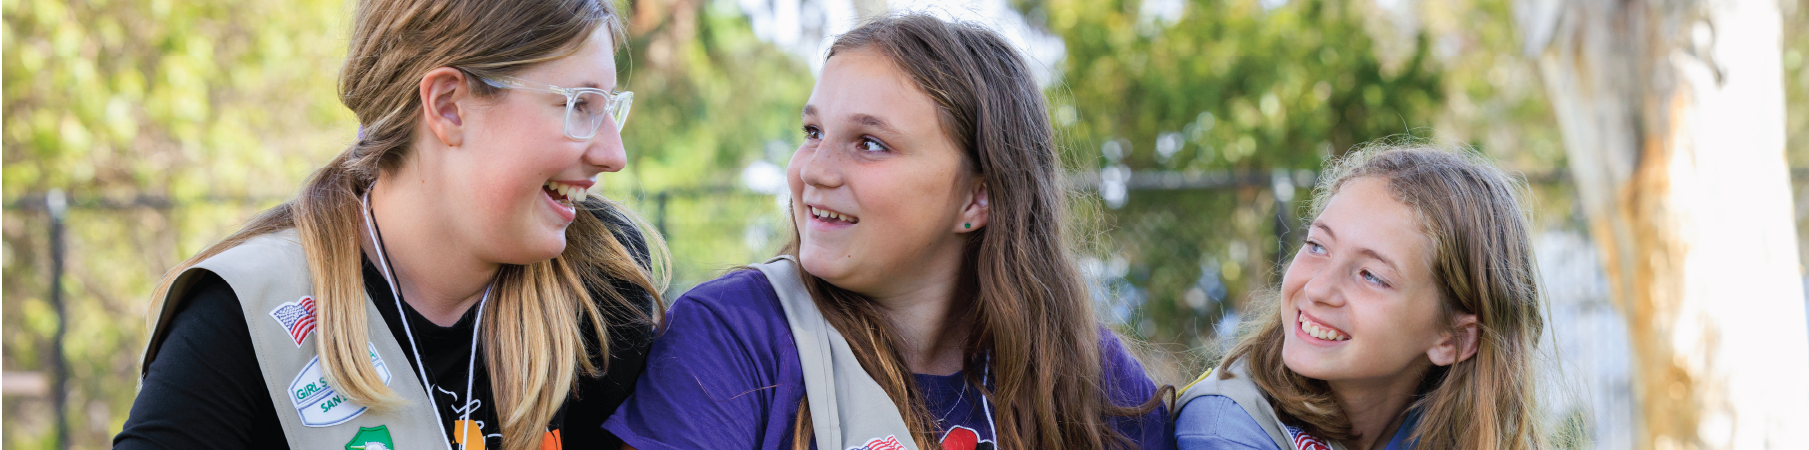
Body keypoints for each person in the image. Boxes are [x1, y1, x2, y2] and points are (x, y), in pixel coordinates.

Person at [602, 13, 1173, 450]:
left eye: (869, 144)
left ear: (979, 197)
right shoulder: (735, 335)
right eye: (812, 131)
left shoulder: (1075, 369)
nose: (813, 170)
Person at [114, 0, 666, 448]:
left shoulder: (600, 287)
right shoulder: (252, 312)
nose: (612, 154)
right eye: (579, 107)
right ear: (449, 105)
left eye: (609, 108)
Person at [1174, 143, 1550, 450]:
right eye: (1317, 246)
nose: (1318, 288)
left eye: (1371, 275)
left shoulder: (1459, 429)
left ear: (1454, 339)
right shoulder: (1224, 427)